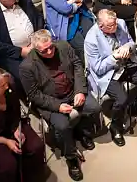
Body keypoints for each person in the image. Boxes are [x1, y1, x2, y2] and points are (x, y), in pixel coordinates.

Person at [22, 29, 99, 179]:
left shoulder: (63, 46)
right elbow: (34, 95)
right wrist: (57, 106)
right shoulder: (27, 67)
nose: (50, 52)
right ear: (36, 50)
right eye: (45, 50)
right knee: (62, 126)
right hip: (52, 101)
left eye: (51, 47)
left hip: (72, 91)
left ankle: (82, 132)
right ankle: (71, 158)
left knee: (94, 107)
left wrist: (80, 91)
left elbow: (77, 66)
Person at [84, 9, 137, 147]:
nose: (116, 27)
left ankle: (136, 107)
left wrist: (127, 48)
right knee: (121, 99)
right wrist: (114, 57)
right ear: (101, 26)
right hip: (108, 73)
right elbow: (98, 68)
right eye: (111, 26)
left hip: (127, 63)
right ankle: (115, 127)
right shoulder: (91, 40)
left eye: (115, 23)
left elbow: (131, 42)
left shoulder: (121, 23)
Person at [0, 68, 46, 182]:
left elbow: (16, 113)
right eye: (2, 86)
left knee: (37, 146)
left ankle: (31, 176)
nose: (7, 87)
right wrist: (6, 141)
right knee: (9, 165)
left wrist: (17, 129)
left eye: (6, 83)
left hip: (10, 126)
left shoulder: (10, 91)